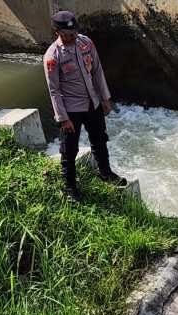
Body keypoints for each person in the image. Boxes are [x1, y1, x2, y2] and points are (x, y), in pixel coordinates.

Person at [43, 10, 126, 202]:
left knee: (99, 139)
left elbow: (97, 70)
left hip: (93, 103)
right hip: (71, 109)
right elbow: (54, 90)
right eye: (67, 35)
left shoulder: (86, 43)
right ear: (57, 32)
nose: (72, 37)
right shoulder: (52, 56)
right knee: (69, 150)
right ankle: (70, 187)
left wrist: (105, 98)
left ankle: (105, 173)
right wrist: (63, 118)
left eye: (74, 33)